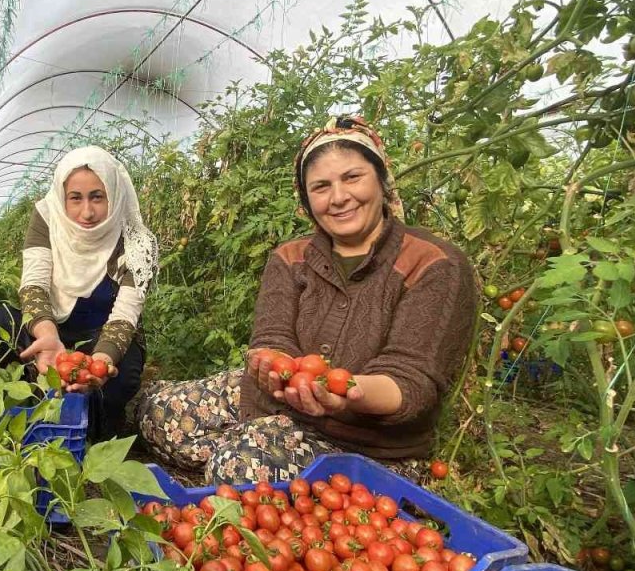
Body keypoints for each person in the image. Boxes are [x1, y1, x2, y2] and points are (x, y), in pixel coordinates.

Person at [137, 116, 477, 483]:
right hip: (276, 402)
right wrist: (271, 366)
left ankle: (253, 448)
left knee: (238, 468)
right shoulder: (291, 257)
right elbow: (272, 336)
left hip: (368, 445)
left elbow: (413, 383)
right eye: (321, 186)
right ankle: (249, 435)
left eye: (352, 177)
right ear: (306, 199)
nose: (339, 197)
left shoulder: (435, 263)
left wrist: (349, 392)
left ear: (381, 180)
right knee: (156, 415)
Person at [0, 145, 158, 441]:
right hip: (51, 329)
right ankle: (25, 403)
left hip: (102, 335)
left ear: (114, 196)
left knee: (123, 372)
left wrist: (101, 362)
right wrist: (46, 335)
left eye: (97, 197)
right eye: (75, 198)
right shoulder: (48, 218)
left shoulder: (137, 243)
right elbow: (33, 284)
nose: (87, 212)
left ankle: (95, 423)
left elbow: (125, 315)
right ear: (62, 198)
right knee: (1, 321)